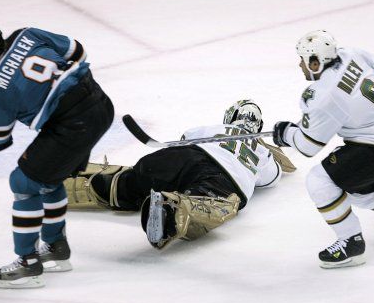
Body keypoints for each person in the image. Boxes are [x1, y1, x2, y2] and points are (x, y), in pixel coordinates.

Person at [272, 29, 374, 269]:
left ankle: (351, 244)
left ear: (315, 62)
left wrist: (286, 133)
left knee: (320, 182)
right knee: (356, 192)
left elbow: (308, 146)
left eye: (302, 60)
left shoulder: (321, 96)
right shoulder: (352, 55)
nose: (300, 65)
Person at [0, 22, 114, 288]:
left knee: (23, 182)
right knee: (47, 179)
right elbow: (78, 52)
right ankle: (56, 247)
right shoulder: (27, 34)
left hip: (73, 125)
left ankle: (27, 263)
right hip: (100, 104)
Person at [64, 99, 295, 248]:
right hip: (225, 179)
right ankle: (170, 210)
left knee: (136, 180)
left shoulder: (211, 128)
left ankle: (94, 185)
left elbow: (185, 138)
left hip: (186, 156)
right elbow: (270, 179)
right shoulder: (263, 150)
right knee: (206, 201)